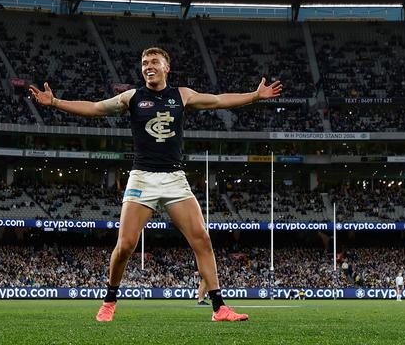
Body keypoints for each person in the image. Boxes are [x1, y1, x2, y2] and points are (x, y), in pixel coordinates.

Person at [30, 46, 282, 323]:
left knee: (203, 240)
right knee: (125, 245)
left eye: (154, 61)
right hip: (142, 178)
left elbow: (219, 100)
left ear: (166, 67)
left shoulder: (182, 95)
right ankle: (109, 300)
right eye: (144, 62)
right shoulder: (132, 97)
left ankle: (219, 308)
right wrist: (55, 102)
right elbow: (95, 108)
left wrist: (256, 96)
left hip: (174, 178)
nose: (148, 66)